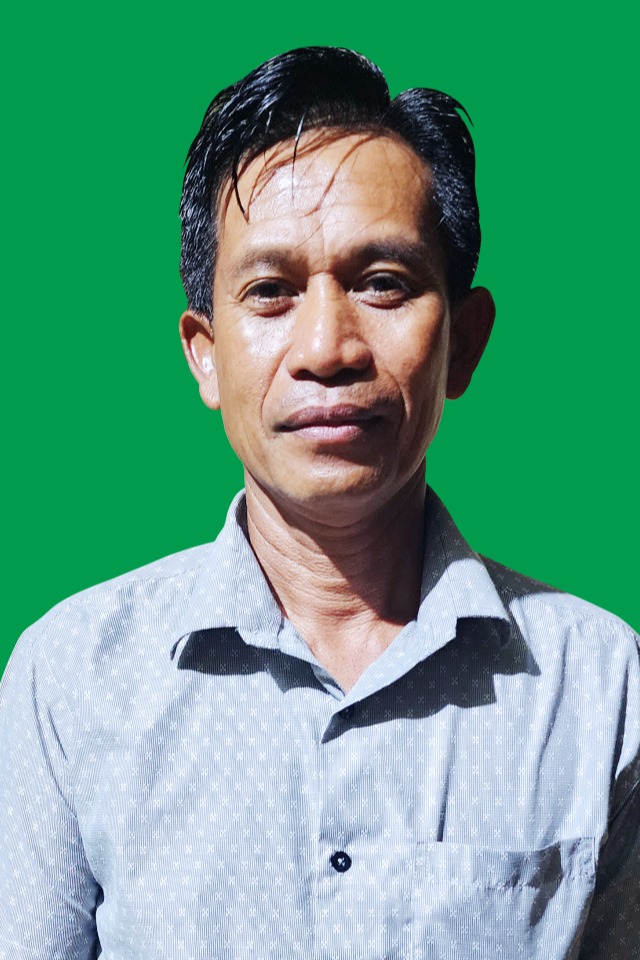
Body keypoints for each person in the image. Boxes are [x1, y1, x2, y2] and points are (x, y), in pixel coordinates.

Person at [1, 45, 638, 960]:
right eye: (271, 292)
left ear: (464, 342)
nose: (327, 348)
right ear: (205, 355)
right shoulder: (70, 682)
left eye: (383, 284)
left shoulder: (604, 691)